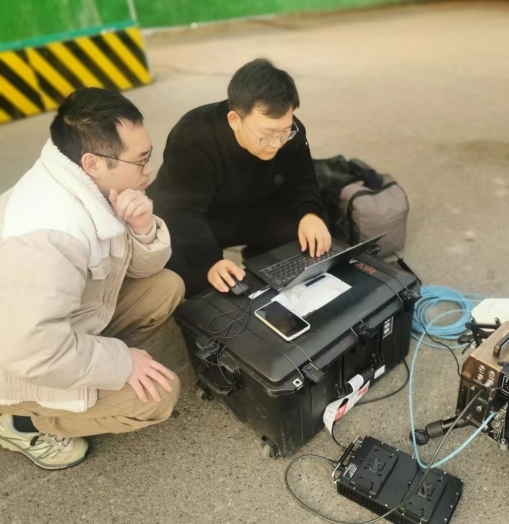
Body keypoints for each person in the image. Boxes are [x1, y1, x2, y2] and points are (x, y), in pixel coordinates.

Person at [0, 88, 184, 470]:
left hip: (57, 329)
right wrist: (121, 363)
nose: (149, 169)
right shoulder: (50, 235)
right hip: (18, 362)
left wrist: (142, 227)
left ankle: (87, 374)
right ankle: (22, 421)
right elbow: (31, 351)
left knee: (166, 287)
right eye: (141, 160)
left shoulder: (84, 183)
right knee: (157, 396)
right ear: (93, 162)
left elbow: (139, 271)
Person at [147, 58, 331, 298]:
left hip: (253, 208)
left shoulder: (292, 132)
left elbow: (302, 181)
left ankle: (264, 276)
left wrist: (310, 214)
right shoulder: (193, 136)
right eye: (267, 134)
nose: (277, 143)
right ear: (235, 120)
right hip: (201, 216)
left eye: (285, 131)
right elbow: (181, 212)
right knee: (189, 273)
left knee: (308, 235)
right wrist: (211, 261)